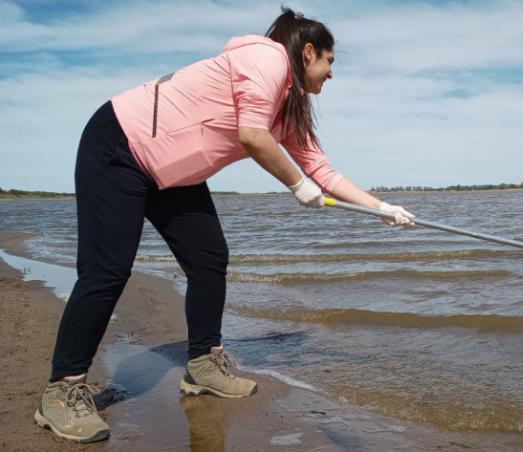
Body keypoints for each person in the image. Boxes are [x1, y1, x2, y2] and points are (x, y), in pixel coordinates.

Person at [34, 7, 414, 443]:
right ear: (307, 51)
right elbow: (252, 136)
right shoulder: (267, 59)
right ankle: (61, 393)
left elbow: (323, 171)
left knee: (210, 258)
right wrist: (296, 185)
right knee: (107, 269)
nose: (331, 74)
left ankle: (202, 367)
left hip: (174, 173)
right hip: (120, 145)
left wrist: (382, 207)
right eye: (329, 62)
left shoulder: (290, 108)